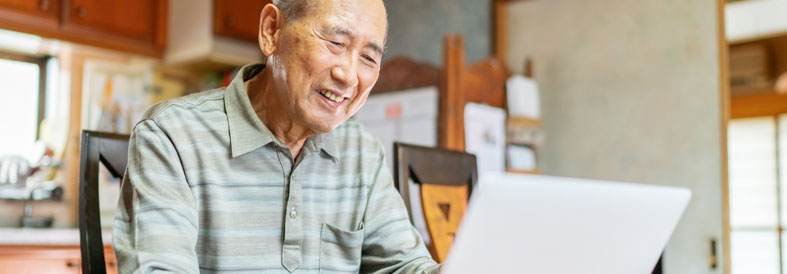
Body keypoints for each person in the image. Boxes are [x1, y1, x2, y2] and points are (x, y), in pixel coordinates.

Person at [112, 0, 441, 273]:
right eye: (336, 43)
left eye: (369, 58)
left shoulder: (362, 151)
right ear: (272, 30)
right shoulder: (172, 136)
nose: (349, 75)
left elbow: (404, 265)